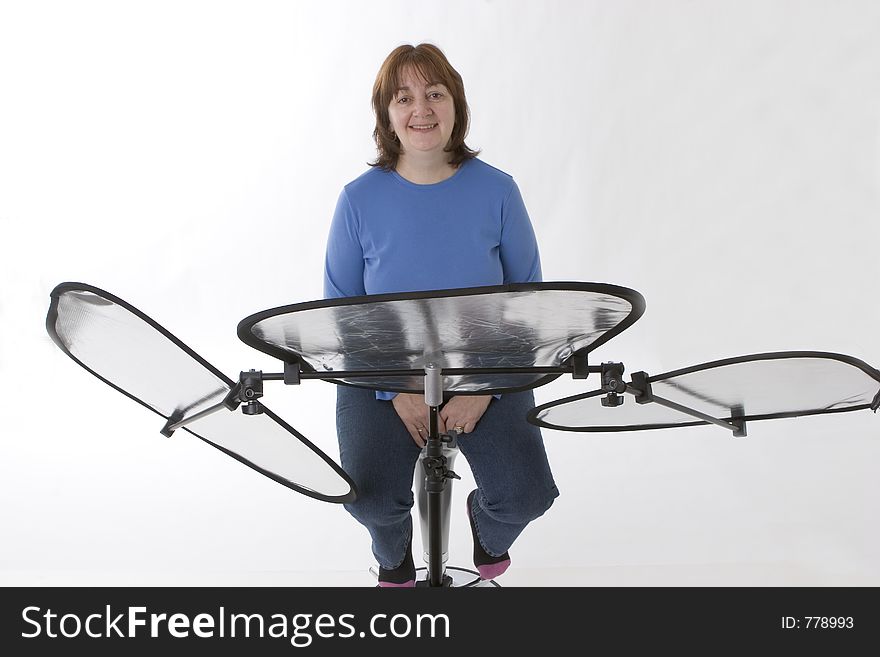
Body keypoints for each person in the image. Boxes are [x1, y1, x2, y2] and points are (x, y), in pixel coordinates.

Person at [324, 43, 559, 587]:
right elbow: (342, 316)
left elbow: (529, 301)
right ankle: (394, 553)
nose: (421, 109)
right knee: (372, 502)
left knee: (527, 495)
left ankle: (484, 526)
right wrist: (396, 389)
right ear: (386, 115)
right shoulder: (358, 199)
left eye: (435, 93)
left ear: (456, 106)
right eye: (404, 97)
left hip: (486, 366)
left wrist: (483, 387)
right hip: (378, 371)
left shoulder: (498, 190)